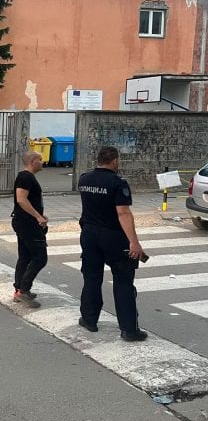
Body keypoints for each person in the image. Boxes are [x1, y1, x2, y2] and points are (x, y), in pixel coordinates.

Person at [78, 146, 147, 342]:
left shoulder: (84, 179)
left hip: (89, 235)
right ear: (115, 161)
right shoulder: (118, 183)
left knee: (91, 278)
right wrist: (134, 242)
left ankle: (89, 319)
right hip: (114, 237)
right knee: (123, 282)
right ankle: (129, 330)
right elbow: (123, 213)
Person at [11, 150, 48, 308]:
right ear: (33, 161)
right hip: (27, 223)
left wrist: (41, 215)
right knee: (40, 257)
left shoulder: (27, 177)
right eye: (40, 159)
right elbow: (21, 199)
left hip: (24, 221)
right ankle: (23, 290)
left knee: (25, 256)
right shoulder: (26, 176)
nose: (42, 161)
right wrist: (37, 217)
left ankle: (19, 290)